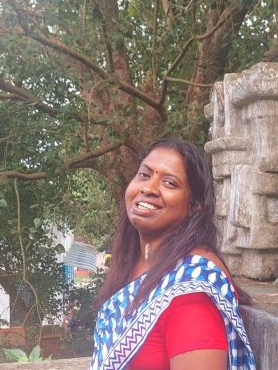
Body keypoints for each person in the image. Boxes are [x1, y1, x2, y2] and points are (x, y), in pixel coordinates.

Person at [90, 138, 255, 370]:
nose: (148, 188)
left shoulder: (190, 290)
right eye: (144, 175)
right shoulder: (136, 263)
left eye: (169, 183)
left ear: (195, 205)